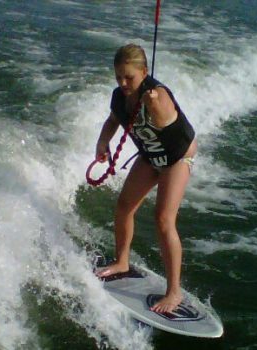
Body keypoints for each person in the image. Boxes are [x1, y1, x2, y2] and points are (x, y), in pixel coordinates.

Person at [95, 43, 197, 314]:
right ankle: (122, 262)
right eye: (119, 77)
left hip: (176, 158)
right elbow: (114, 120)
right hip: (150, 157)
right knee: (124, 207)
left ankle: (174, 292)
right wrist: (103, 142)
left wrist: (154, 107)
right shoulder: (119, 96)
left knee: (163, 219)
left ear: (144, 71)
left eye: (129, 76)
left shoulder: (158, 95)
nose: (124, 82)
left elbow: (165, 122)